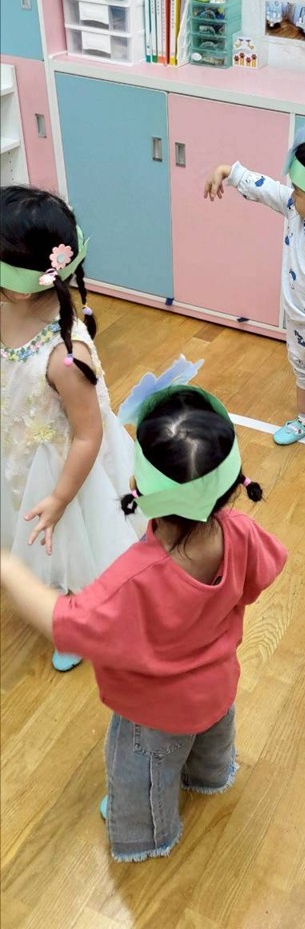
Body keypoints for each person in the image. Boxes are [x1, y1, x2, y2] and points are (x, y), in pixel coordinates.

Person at [0, 379, 287, 863]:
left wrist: (9, 568)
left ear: (138, 487)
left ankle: (151, 835)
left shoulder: (133, 578)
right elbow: (261, 578)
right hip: (217, 684)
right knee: (212, 737)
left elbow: (66, 623)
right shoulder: (242, 531)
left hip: (155, 713)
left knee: (142, 776)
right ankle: (210, 778)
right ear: (233, 483)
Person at [0, 185, 143, 671]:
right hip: (18, 447)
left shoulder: (64, 356)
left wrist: (61, 497)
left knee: (70, 543)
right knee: (25, 527)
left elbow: (87, 435)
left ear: (22, 284)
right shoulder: (8, 309)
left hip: (66, 468)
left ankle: (73, 616)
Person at [204, 133, 305, 464]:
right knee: (304, 375)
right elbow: (268, 189)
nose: (291, 195)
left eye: (297, 191)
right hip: (297, 323)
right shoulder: (300, 209)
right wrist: (229, 172)